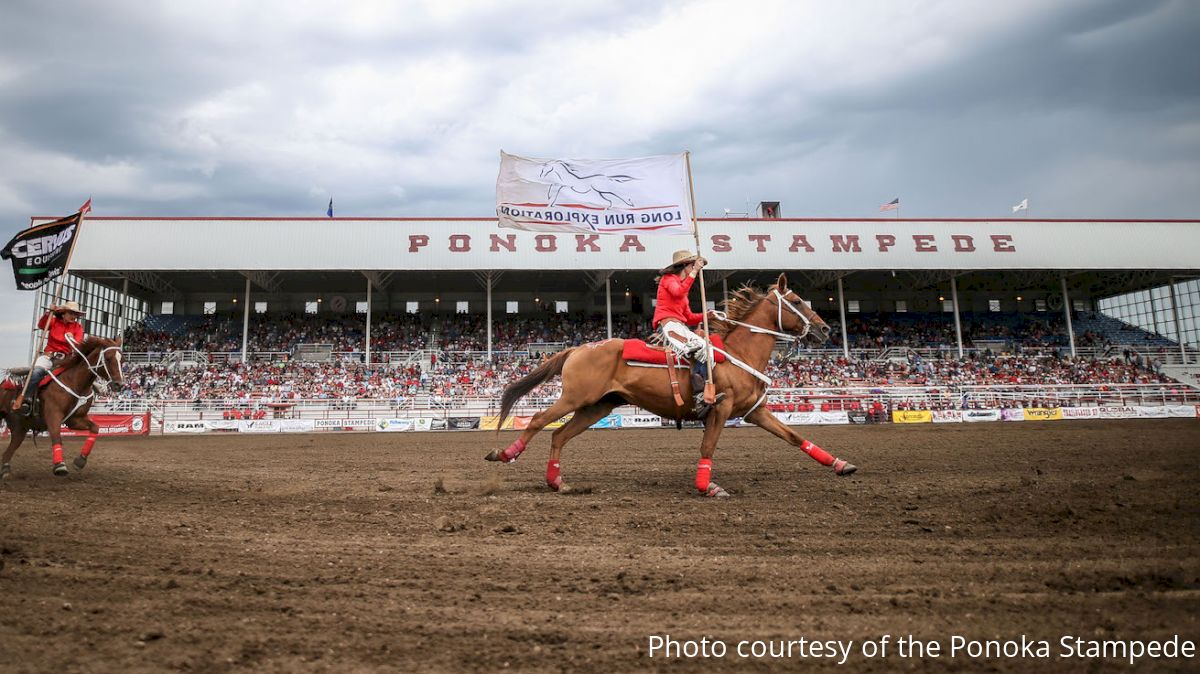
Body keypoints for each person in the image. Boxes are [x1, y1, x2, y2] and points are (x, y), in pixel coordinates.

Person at [652, 249, 724, 417]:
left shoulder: (683, 292)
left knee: (708, 350)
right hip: (668, 325)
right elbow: (678, 291)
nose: (694, 268)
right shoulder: (668, 279)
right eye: (692, 265)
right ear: (684, 266)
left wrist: (707, 315)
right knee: (702, 347)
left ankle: (702, 392)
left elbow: (689, 317)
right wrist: (695, 271)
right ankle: (700, 396)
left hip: (679, 325)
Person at [17, 301, 86, 416]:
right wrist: (49, 312)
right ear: (63, 313)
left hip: (66, 360)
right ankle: (27, 399)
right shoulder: (53, 322)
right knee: (36, 373)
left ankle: (76, 404)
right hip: (49, 356)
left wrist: (72, 339)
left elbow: (78, 344)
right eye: (71, 313)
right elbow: (41, 326)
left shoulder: (78, 328)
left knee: (80, 376)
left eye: (75, 314)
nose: (74, 316)